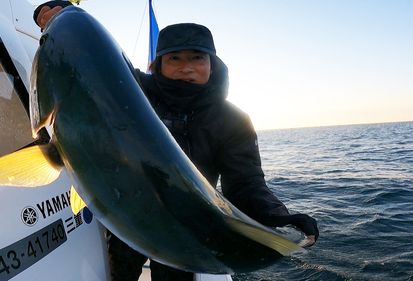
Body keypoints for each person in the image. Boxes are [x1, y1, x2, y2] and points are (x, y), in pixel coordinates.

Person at [34, 2, 319, 280]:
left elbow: (245, 183)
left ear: (212, 64)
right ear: (157, 63)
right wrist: (59, 12)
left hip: (186, 225)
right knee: (119, 271)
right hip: (124, 211)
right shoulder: (131, 91)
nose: (187, 67)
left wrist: (276, 219)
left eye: (197, 58)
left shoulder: (232, 120)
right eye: (174, 58)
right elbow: (90, 64)